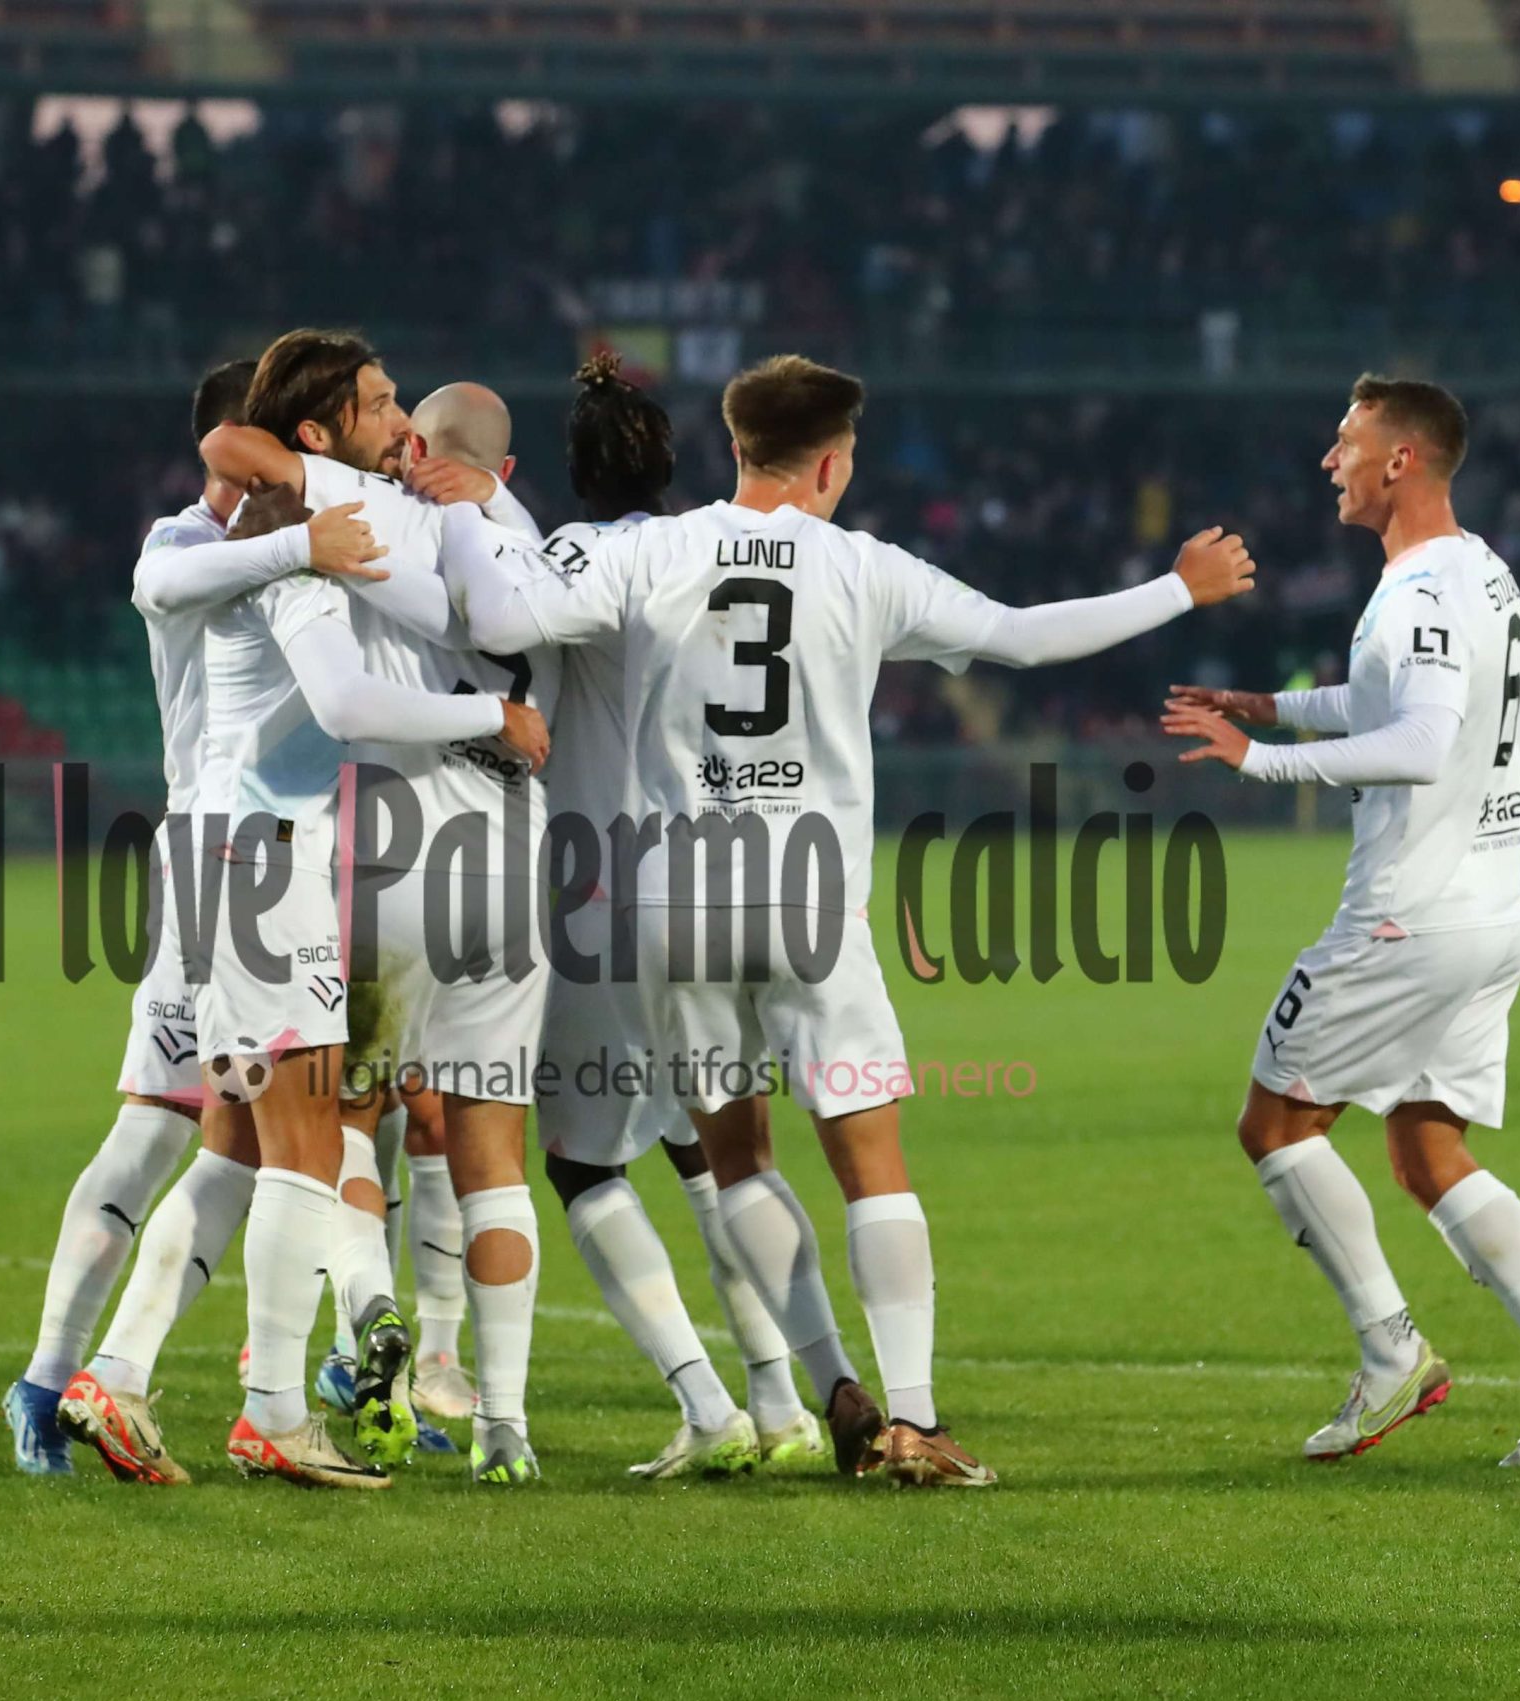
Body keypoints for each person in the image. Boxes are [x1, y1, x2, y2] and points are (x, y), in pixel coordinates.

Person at [442, 354, 1256, 1486]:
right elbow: (1023, 636)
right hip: (808, 892)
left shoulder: (644, 550)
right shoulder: (862, 567)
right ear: (831, 463)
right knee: (869, 1158)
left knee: (735, 1159)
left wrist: (474, 501)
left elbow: (503, 609)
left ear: (735, 448)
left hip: (669, 896)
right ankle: (912, 1419)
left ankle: (832, 1386)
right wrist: (1179, 588)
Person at [1161, 373, 1520, 1470]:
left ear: (1398, 461)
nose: (1330, 461)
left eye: (1345, 440)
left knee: (1274, 1127)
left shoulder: (1413, 591)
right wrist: (1270, 705)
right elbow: (1406, 708)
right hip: (1491, 916)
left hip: (1406, 918)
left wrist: (1260, 759)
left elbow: (1416, 743)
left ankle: (1390, 1352)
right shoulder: (1481, 573)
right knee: (1423, 1149)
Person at [0, 358, 387, 1479]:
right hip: (233, 857)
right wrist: (303, 545)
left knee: (214, 1131)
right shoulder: (188, 542)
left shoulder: (288, 530)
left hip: (232, 857)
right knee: (205, 1128)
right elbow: (165, 587)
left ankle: (105, 1378)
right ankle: (74, 1380)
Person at [201, 340, 560, 1484]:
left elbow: (235, 446)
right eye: (381, 403)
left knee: (344, 1119)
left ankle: (364, 1337)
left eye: (403, 409)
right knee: (489, 1140)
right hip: (522, 858)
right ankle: (498, 1424)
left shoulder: (371, 513)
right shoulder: (524, 539)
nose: (396, 420)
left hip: (400, 848)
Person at [495, 352, 818, 1479]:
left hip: (595, 888)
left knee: (584, 1167)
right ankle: (782, 1401)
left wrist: (483, 506)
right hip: (711, 877)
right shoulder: (708, 551)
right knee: (708, 1148)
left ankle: (705, 1402)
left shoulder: (576, 555)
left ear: (570, 475)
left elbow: (501, 619)